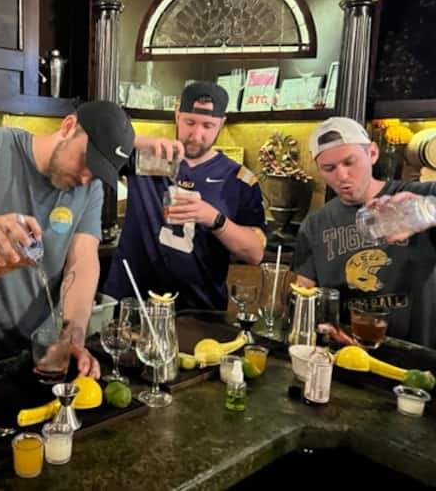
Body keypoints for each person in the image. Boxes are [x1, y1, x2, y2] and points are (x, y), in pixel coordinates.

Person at [0, 101, 136, 376]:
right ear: (68, 126)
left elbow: (83, 261)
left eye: (96, 173)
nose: (85, 177)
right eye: (86, 161)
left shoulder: (90, 189)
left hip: (32, 355)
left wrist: (74, 330)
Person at [103, 81, 266, 311]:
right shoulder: (150, 157)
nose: (196, 135)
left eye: (208, 126)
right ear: (177, 116)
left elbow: (255, 254)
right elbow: (90, 139)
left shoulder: (238, 179)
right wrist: (140, 141)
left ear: (222, 123)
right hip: (132, 303)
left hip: (198, 311)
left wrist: (215, 219)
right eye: (190, 122)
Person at [293, 116, 436, 348]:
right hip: (348, 353)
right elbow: (304, 294)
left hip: (414, 355)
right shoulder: (314, 224)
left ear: (372, 153)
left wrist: (428, 210)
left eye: (349, 162)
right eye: (329, 168)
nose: (342, 176)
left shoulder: (418, 196)